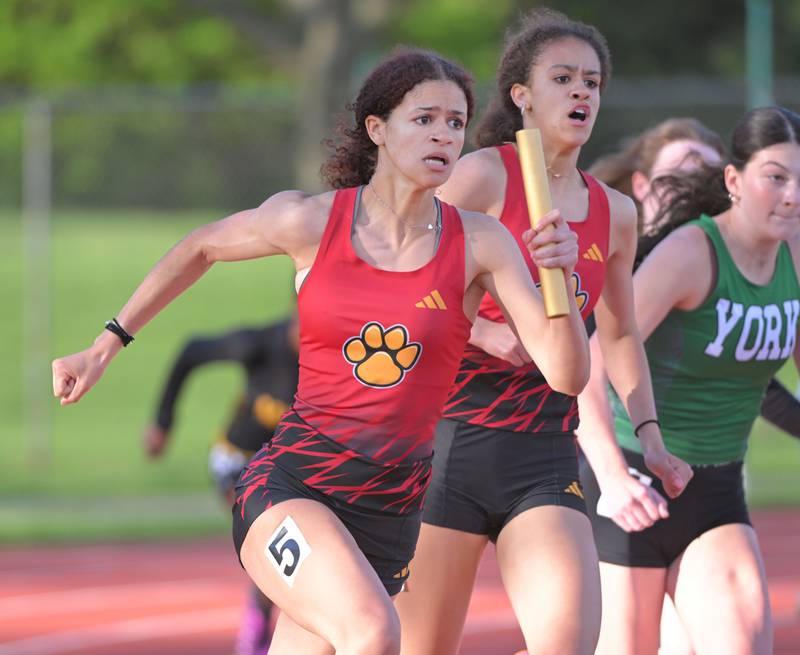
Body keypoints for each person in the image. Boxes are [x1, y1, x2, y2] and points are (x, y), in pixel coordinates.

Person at [52, 48, 590, 655]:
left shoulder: (481, 244)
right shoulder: (309, 221)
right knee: (372, 633)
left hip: (390, 515)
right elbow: (201, 247)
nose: (443, 134)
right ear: (378, 130)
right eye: (425, 119)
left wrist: (559, 283)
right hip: (293, 487)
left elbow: (568, 375)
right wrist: (104, 345)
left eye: (456, 123)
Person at [394, 10, 691, 655]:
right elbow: (394, 283)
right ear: (521, 95)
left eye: (592, 81)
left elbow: (619, 335)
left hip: (545, 453)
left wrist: (651, 437)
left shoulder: (613, 212)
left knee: (569, 642)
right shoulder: (481, 177)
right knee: (423, 647)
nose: (582, 92)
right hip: (449, 446)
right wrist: (480, 334)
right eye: (563, 78)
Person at [579, 106, 800, 655]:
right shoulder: (691, 254)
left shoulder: (796, 256)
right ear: (734, 180)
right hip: (632, 481)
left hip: (716, 492)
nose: (792, 195)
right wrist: (613, 478)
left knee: (743, 643)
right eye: (776, 177)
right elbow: (590, 365)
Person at [142, 316, 299, 655]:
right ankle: (257, 627)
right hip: (236, 459)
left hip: (284, 469)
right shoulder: (260, 344)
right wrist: (162, 421)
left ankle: (272, 617)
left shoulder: (332, 358)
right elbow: (191, 351)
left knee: (288, 534)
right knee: (274, 529)